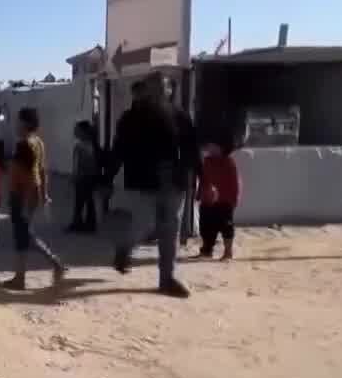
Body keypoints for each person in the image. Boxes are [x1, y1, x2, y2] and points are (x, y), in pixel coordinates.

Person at [109, 76, 198, 297]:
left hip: (174, 181)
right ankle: (125, 249)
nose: (159, 91)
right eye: (154, 87)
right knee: (145, 223)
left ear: (169, 90)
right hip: (143, 181)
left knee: (169, 230)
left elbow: (191, 148)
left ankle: (167, 279)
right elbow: (119, 149)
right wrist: (106, 177)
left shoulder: (179, 115)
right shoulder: (131, 118)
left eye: (164, 87)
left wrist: (201, 178)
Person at [0, 106, 65, 291]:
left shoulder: (25, 145)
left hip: (23, 195)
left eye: (18, 121)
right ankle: (22, 276)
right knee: (24, 235)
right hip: (29, 194)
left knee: (24, 236)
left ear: (25, 123)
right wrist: (44, 194)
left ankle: (53, 264)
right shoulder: (37, 142)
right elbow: (42, 171)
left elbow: (27, 175)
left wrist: (25, 200)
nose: (15, 124)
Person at [198, 131, 242, 261]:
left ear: (221, 147)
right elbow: (204, 179)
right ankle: (207, 250)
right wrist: (200, 194)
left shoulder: (229, 162)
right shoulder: (206, 161)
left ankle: (228, 252)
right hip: (207, 201)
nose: (208, 147)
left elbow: (235, 182)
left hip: (225, 201)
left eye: (211, 145)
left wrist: (234, 200)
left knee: (226, 226)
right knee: (206, 226)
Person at [68, 119, 102, 233]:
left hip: (82, 178)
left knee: (79, 202)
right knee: (89, 201)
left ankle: (77, 224)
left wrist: (74, 177)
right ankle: (90, 224)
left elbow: (77, 165)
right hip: (90, 177)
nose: (74, 131)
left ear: (82, 131)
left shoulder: (79, 146)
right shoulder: (91, 144)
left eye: (76, 129)